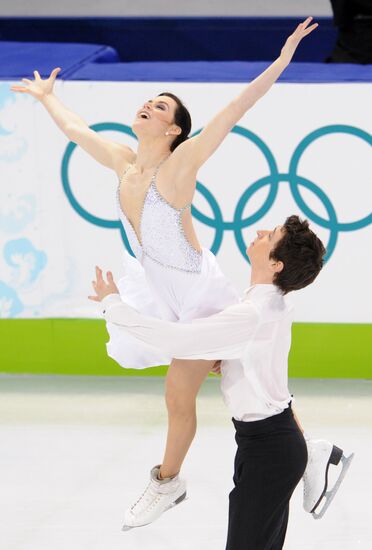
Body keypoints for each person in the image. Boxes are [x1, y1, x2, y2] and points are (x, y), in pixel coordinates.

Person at [11, 17, 350, 527]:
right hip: (160, 290)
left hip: (199, 294)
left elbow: (233, 112)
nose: (149, 105)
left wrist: (281, 61)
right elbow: (78, 131)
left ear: (173, 130)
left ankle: (166, 483)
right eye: (149, 101)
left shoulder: (180, 164)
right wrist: (47, 98)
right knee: (251, 381)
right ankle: (316, 452)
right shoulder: (125, 162)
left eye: (162, 107)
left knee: (178, 391)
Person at [90, 216, 353, 548]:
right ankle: (312, 450)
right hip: (266, 443)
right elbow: (256, 357)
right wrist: (230, 361)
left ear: (276, 263)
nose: (259, 233)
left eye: (269, 235)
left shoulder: (252, 313)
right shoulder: (270, 302)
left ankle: (312, 450)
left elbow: (175, 340)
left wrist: (112, 305)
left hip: (269, 449)